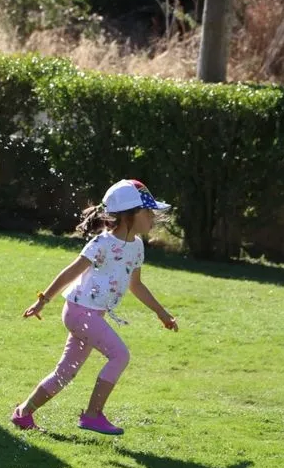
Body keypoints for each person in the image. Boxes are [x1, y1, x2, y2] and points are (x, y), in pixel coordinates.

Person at [10, 179, 178, 435]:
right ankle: (92, 415)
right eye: (148, 212)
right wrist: (42, 301)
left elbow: (136, 285)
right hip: (80, 313)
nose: (153, 217)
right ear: (129, 214)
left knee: (65, 372)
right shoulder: (102, 243)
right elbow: (70, 272)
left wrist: (161, 312)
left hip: (91, 315)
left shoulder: (137, 246)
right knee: (120, 355)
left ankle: (23, 413)